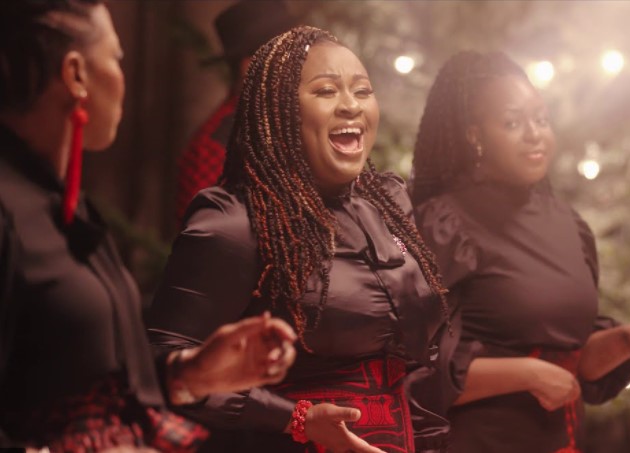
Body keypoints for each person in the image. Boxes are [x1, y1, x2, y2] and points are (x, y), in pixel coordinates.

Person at [0, 0, 297, 450]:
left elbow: (89, 385)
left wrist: (190, 373)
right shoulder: (9, 209)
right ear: (76, 74)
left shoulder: (61, 205)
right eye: (116, 58)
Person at [148, 25, 450, 453]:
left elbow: (424, 369)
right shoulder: (235, 221)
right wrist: (295, 418)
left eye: (363, 91)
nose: (351, 105)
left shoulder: (391, 203)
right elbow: (158, 367)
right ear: (279, 112)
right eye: (327, 91)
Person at [409, 50, 630, 452]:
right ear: (474, 135)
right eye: (513, 122)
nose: (535, 134)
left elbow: (574, 362)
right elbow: (411, 371)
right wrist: (526, 374)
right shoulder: (444, 225)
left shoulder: (568, 223)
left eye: (541, 118)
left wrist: (624, 342)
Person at [175, 0, 297, 224]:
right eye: (285, 52)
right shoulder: (212, 149)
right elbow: (204, 246)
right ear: (250, 65)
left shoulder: (296, 126)